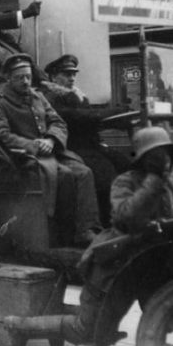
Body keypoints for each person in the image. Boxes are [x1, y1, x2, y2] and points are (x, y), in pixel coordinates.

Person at [5, 126, 173, 345]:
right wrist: (152, 185)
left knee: (172, 312)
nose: (164, 161)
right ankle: (19, 327)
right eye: (156, 155)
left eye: (166, 154)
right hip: (114, 266)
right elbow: (125, 218)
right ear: (144, 159)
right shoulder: (126, 182)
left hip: (150, 264)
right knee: (86, 331)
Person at [0, 54, 102, 246]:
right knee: (64, 176)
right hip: (28, 156)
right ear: (9, 79)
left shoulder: (38, 97)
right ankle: (62, 237)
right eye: (19, 78)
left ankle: (87, 229)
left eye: (28, 77)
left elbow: (58, 121)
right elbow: (2, 135)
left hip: (52, 151)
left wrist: (51, 139)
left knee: (84, 172)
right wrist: (36, 145)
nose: (25, 82)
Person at [40, 54, 132, 226]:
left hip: (91, 146)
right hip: (71, 148)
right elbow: (80, 117)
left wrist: (122, 119)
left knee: (126, 165)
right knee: (106, 176)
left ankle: (129, 215)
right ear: (53, 76)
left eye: (74, 74)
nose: (72, 78)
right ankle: (109, 224)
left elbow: (91, 120)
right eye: (67, 74)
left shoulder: (77, 96)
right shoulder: (50, 98)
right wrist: (113, 112)